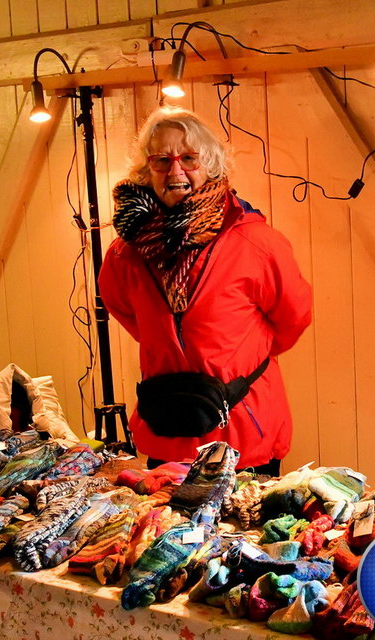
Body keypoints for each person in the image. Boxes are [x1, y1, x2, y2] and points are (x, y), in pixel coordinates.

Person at [98, 107, 312, 475]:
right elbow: (126, 312)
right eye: (161, 160)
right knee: (164, 515)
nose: (175, 171)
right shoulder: (125, 253)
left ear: (211, 165)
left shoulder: (257, 243)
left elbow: (293, 318)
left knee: (246, 516)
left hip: (243, 431)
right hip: (166, 433)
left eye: (189, 158)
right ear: (147, 170)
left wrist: (228, 357)